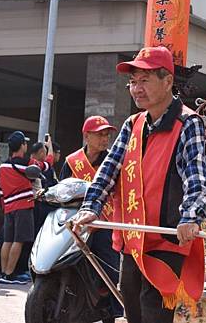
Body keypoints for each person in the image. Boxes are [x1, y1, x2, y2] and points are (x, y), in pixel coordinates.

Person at [72, 46, 206, 323]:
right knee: (132, 308)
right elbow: (108, 170)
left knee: (154, 310)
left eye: (144, 80)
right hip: (132, 239)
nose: (136, 89)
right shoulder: (132, 123)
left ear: (167, 81)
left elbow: (195, 175)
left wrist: (190, 216)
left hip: (165, 238)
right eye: (133, 82)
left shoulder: (187, 123)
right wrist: (91, 207)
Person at [60, 115, 121, 318]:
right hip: (78, 226)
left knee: (112, 274)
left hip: (105, 225)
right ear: (86, 136)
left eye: (107, 135)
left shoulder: (112, 162)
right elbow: (62, 193)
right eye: (100, 135)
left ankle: (114, 314)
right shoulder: (71, 162)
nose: (105, 139)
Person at [0, 131, 52, 284]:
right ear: (22, 145)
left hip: (8, 207)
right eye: (25, 143)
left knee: (7, 240)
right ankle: (10, 275)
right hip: (23, 205)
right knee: (19, 240)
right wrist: (49, 149)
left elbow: (0, 188)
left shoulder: (3, 165)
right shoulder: (26, 163)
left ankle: (3, 273)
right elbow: (46, 166)